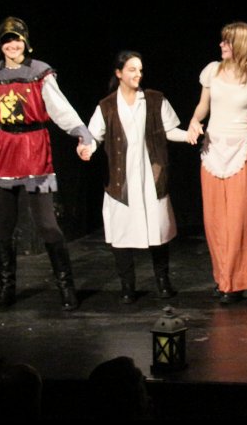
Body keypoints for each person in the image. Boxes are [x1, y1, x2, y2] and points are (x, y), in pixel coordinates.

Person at [0, 16, 93, 310]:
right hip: (3, 150)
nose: (12, 45)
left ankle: (66, 287)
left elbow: (59, 108)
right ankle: (6, 288)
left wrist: (81, 133)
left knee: (47, 225)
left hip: (33, 148)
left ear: (25, 42)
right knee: (3, 227)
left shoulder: (40, 72)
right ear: (0, 45)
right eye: (6, 40)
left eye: (16, 39)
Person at [79, 51, 189, 304]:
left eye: (140, 69)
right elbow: (93, 136)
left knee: (157, 230)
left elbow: (170, 130)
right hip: (121, 178)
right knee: (122, 232)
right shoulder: (107, 105)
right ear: (119, 73)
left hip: (151, 174)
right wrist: (87, 148)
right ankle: (127, 286)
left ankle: (163, 281)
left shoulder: (154, 99)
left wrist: (189, 135)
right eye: (131, 69)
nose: (138, 74)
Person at [186, 22, 247, 304]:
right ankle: (223, 277)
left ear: (240, 44)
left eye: (227, 41)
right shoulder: (212, 70)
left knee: (239, 218)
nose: (221, 45)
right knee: (214, 219)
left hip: (243, 150)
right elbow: (204, 106)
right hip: (213, 148)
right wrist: (194, 121)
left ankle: (235, 282)